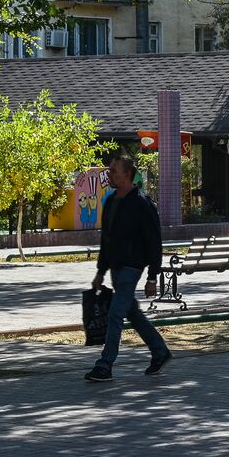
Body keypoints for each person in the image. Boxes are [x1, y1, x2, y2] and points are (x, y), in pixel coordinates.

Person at [85, 154, 172, 382]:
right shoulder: (112, 201)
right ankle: (160, 351)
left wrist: (152, 276)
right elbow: (107, 239)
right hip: (115, 267)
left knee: (115, 314)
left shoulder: (142, 203)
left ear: (127, 174)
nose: (109, 174)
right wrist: (100, 271)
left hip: (132, 268)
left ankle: (105, 365)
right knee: (131, 312)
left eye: (114, 170)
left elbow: (154, 241)